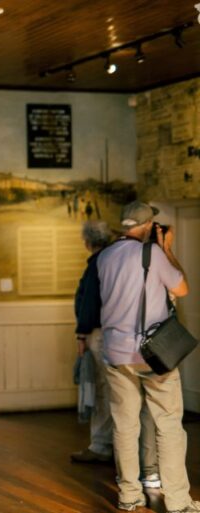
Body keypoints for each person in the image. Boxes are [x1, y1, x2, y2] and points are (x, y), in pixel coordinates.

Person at [98, 201, 196, 513]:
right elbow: (181, 289)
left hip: (115, 352)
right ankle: (178, 501)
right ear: (148, 225)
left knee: (124, 426)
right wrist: (166, 248)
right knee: (168, 424)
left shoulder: (104, 256)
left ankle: (129, 495)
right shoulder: (152, 253)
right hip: (152, 355)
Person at [71, 220, 160, 490]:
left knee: (104, 392)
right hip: (130, 336)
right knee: (123, 395)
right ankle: (131, 458)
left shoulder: (98, 263)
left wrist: (82, 334)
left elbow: (89, 302)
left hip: (103, 333)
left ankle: (102, 445)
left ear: (88, 242)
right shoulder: (119, 260)